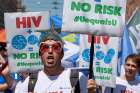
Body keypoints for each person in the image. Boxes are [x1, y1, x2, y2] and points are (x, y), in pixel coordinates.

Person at [1, 31, 89, 93]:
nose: (50, 51)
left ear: (62, 54)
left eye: (55, 47)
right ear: (40, 55)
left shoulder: (78, 78)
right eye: (45, 47)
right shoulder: (29, 83)